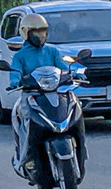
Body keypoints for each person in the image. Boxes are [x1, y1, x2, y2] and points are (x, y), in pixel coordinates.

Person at [9, 13, 73, 179]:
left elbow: (63, 67)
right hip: (32, 95)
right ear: (26, 33)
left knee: (75, 110)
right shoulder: (20, 56)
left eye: (43, 31)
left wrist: (74, 73)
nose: (41, 36)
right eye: (36, 32)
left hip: (55, 93)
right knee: (27, 123)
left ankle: (81, 147)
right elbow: (15, 71)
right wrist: (15, 81)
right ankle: (25, 157)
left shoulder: (52, 51)